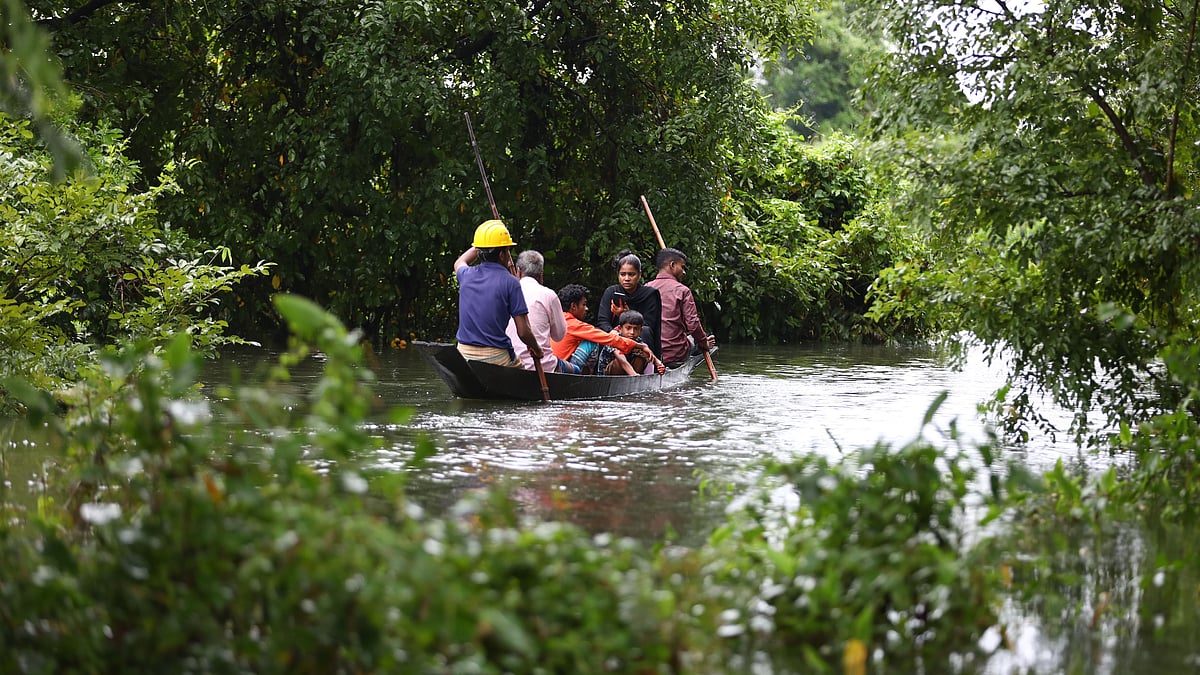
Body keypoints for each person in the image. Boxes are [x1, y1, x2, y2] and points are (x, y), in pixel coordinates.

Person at [453, 219, 541, 367]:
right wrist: (537, 349)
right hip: (495, 356)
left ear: (479, 251)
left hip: (463, 353)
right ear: (502, 255)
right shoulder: (511, 282)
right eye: (507, 251)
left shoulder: (466, 275)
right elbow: (524, 332)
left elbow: (459, 262)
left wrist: (480, 246)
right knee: (521, 369)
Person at [552, 284, 655, 374]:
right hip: (560, 369)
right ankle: (582, 377)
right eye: (584, 304)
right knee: (591, 341)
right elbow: (608, 338)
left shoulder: (555, 320)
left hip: (550, 365)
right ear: (573, 306)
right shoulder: (574, 324)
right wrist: (639, 346)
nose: (586, 308)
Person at [504, 250, 574, 373]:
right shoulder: (548, 295)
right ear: (541, 274)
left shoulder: (505, 293)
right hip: (541, 366)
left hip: (509, 364)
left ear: (519, 271)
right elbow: (559, 336)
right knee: (575, 369)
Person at [645, 247, 716, 368]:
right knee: (699, 339)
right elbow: (693, 325)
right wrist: (704, 343)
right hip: (674, 354)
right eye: (682, 267)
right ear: (672, 265)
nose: (684, 272)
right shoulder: (682, 290)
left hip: (649, 352)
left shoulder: (646, 288)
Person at [596, 249, 663, 359]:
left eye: (631, 274)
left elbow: (649, 324)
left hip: (638, 334)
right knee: (602, 332)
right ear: (618, 275)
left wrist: (626, 315)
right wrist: (613, 332)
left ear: (639, 275)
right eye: (623, 274)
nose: (627, 279)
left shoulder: (650, 294)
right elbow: (603, 321)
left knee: (645, 331)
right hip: (615, 336)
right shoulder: (611, 292)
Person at [596, 310, 666, 376]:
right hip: (610, 375)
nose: (632, 332)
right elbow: (622, 360)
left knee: (643, 354)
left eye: (636, 329)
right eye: (628, 328)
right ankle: (634, 379)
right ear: (620, 329)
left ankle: (645, 377)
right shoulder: (614, 340)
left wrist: (658, 364)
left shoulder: (638, 341)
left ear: (640, 330)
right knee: (619, 360)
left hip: (631, 372)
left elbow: (647, 352)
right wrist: (634, 375)